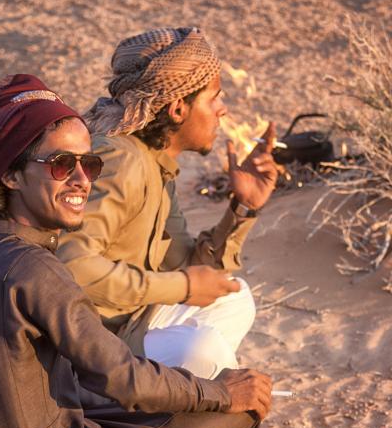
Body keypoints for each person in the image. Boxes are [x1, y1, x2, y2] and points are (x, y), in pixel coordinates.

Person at [0, 74, 272, 428]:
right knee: (240, 413)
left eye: (89, 164)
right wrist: (222, 393)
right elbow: (122, 378)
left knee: (141, 405)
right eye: (61, 165)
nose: (82, 180)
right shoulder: (33, 267)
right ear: (10, 174)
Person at [57, 26, 278, 379]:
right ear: (177, 109)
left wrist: (242, 209)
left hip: (128, 321)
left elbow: (185, 264)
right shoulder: (120, 161)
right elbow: (71, 267)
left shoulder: (155, 162)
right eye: (214, 98)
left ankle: (172, 398)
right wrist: (184, 286)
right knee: (200, 350)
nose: (222, 111)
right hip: (84, 343)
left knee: (234, 298)